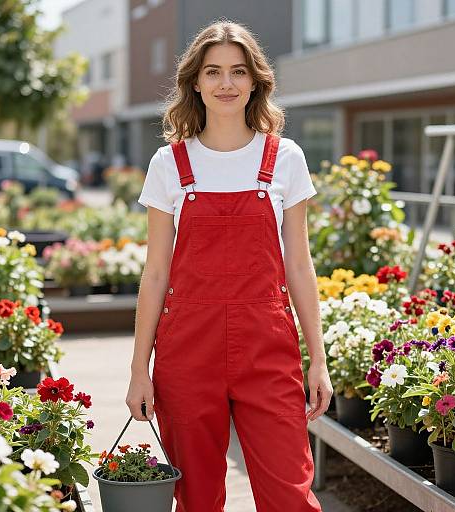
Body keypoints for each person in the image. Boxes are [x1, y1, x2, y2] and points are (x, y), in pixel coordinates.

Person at [125, 20, 332, 512]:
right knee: (196, 496)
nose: (225, 84)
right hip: (186, 353)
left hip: (268, 348)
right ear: (194, 81)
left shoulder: (284, 159)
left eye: (238, 71)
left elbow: (299, 267)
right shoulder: (168, 163)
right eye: (213, 71)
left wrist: (318, 360)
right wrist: (139, 369)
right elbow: (155, 275)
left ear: (256, 81)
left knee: (289, 493)